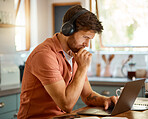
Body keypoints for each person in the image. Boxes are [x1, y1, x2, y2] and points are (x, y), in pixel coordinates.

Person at [17, 5, 118, 119]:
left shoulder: (75, 53)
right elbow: (66, 104)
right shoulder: (44, 55)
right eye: (85, 37)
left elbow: (87, 95)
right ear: (68, 30)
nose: (87, 44)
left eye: (90, 39)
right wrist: (82, 68)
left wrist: (105, 100)